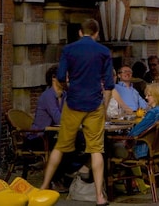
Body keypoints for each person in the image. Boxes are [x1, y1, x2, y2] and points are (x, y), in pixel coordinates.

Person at [41, 18, 114, 206]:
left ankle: (43, 187)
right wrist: (104, 107)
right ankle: (99, 196)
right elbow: (109, 84)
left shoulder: (69, 50)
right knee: (96, 149)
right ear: (97, 34)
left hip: (73, 102)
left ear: (80, 32)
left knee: (60, 146)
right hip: (94, 103)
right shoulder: (104, 52)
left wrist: (69, 87)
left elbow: (59, 76)